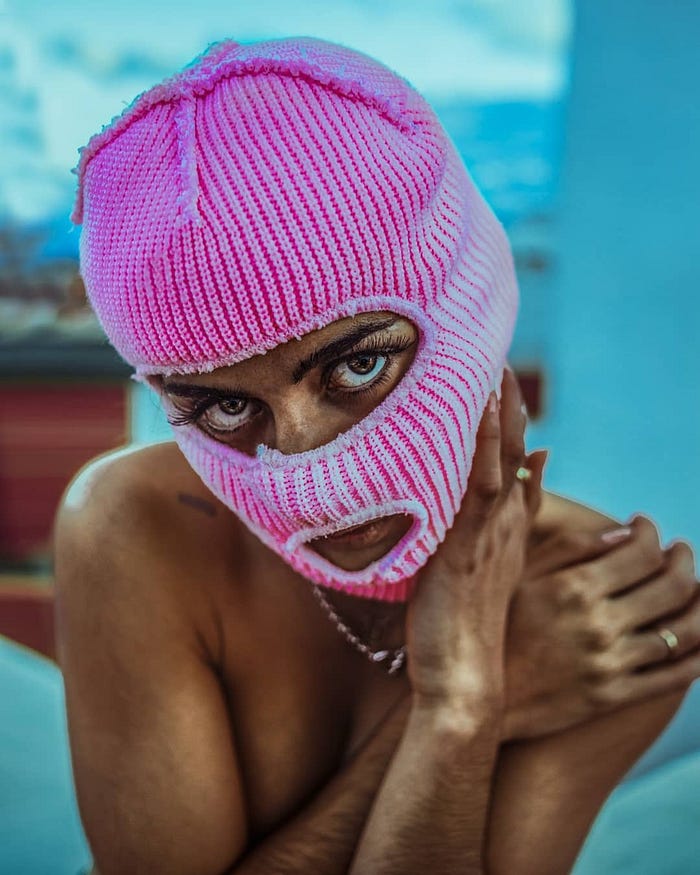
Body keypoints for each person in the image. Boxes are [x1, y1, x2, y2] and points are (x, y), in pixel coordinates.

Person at [54, 37, 700, 875]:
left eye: (358, 366)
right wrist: (467, 700)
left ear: (466, 306)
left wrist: (462, 702)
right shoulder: (136, 527)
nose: (308, 471)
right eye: (225, 406)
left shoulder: (602, 603)